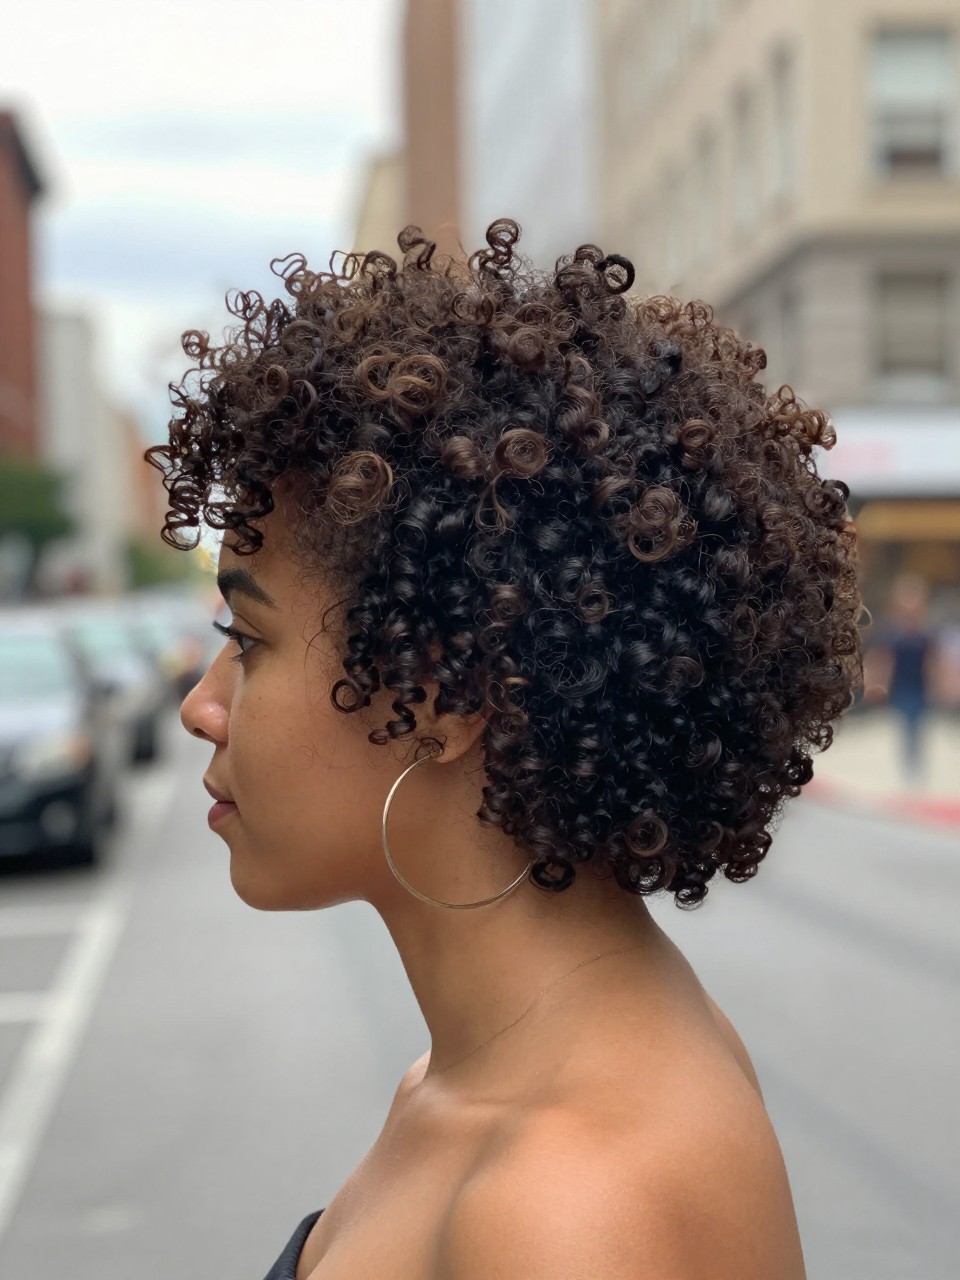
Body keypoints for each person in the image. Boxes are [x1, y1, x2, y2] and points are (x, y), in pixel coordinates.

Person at [147, 219, 862, 1279]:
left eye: (248, 640)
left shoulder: (566, 1210)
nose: (201, 707)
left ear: (443, 694)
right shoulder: (472, 1085)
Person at [862, 572, 944, 784]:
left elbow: (933, 661)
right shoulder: (891, 630)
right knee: (899, 725)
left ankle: (914, 769)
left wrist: (937, 685)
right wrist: (877, 683)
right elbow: (883, 659)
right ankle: (903, 769)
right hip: (899, 686)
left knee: (917, 726)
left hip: (918, 687)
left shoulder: (927, 631)